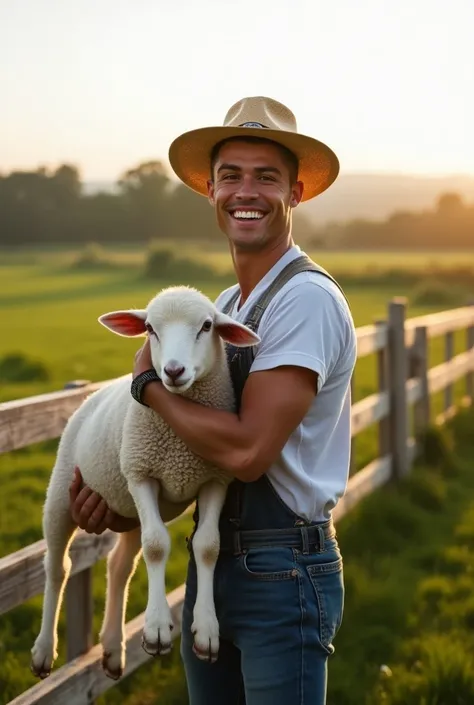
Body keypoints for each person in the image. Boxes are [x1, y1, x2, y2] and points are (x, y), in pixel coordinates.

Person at [69, 96, 357, 705]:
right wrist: (121, 510)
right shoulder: (225, 304)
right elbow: (193, 459)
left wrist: (147, 386)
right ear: (210, 190)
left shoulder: (304, 300)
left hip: (281, 569)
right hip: (212, 561)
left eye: (266, 177)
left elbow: (249, 453)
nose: (244, 191)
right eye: (230, 175)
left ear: (297, 192)